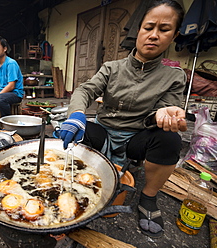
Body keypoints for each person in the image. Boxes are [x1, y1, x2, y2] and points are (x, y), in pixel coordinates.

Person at [59, 0, 186, 238]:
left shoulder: (174, 76)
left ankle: (148, 197)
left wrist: (161, 115)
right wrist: (76, 115)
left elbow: (164, 111)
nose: (154, 35)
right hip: (105, 131)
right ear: (139, 29)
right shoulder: (111, 68)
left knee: (170, 139)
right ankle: (79, 183)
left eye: (164, 29)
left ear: (174, 35)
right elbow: (85, 91)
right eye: (149, 27)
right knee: (75, 130)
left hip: (137, 137)